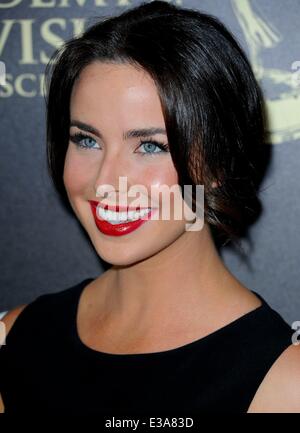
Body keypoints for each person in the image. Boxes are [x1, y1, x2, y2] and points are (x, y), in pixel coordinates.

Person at [0, 0, 299, 414]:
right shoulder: (16, 337)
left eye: (150, 146)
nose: (106, 182)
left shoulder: (283, 385)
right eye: (86, 140)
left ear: (218, 162)